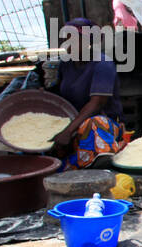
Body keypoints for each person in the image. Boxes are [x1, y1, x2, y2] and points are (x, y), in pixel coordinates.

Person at [48, 17, 127, 169]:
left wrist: (68, 131)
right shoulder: (66, 65)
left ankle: (100, 159)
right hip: (72, 124)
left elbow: (96, 103)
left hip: (104, 125)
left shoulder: (103, 64)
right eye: (65, 40)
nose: (68, 45)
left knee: (94, 123)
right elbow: (59, 96)